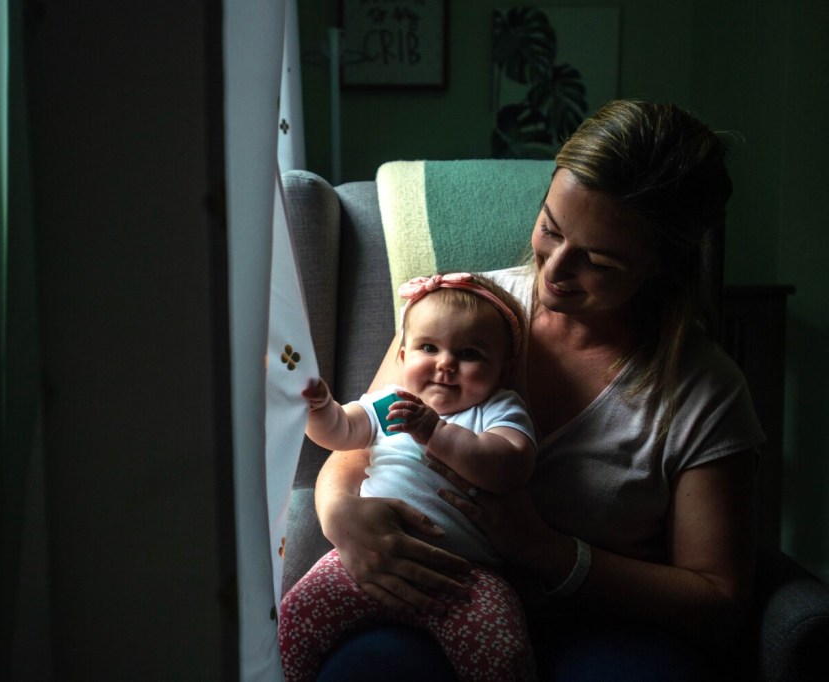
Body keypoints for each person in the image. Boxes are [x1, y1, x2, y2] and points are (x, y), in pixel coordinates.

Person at [311, 100, 763, 682]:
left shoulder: (704, 391)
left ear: (660, 266)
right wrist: (340, 514)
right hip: (438, 597)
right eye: (551, 227)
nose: (555, 270)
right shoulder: (461, 313)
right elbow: (364, 438)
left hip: (605, 630)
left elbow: (719, 601)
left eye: (597, 261)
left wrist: (544, 548)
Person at [279, 273, 538, 682]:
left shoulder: (498, 409)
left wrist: (436, 432)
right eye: (429, 348)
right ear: (402, 357)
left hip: (462, 576)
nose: (445, 363)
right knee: (292, 619)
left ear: (501, 371)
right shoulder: (391, 402)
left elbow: (510, 465)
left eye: (469, 354)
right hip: (365, 558)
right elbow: (341, 432)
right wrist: (320, 408)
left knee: (503, 653)